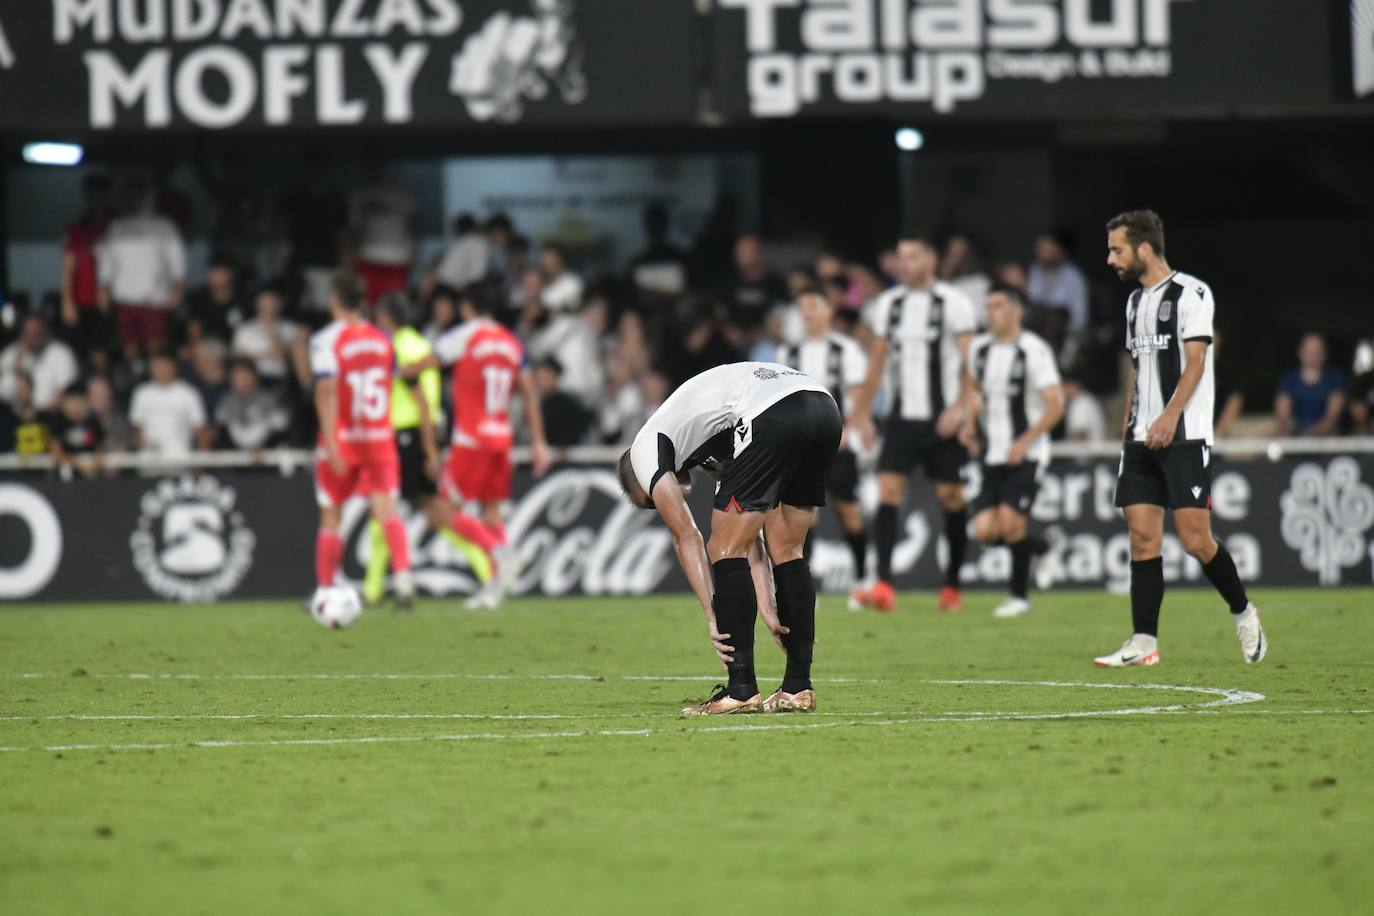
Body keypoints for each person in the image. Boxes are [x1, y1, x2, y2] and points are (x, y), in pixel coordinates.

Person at [616, 362, 841, 716]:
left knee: (721, 546)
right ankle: (798, 688)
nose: (662, 501)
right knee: (787, 548)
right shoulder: (712, 443)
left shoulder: (645, 448)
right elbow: (751, 539)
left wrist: (713, 616)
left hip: (771, 410)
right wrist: (768, 606)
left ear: (640, 481)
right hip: (823, 407)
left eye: (651, 500)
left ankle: (740, 691)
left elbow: (686, 536)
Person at [1096, 210, 1265, 668]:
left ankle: (1243, 610)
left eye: (1117, 249)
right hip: (1139, 437)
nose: (1110, 258)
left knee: (1195, 541)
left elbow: (1195, 365)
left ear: (1144, 248)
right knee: (1142, 539)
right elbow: (1138, 367)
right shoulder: (1133, 303)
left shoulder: (1193, 293)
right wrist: (1130, 422)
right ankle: (1144, 640)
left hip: (1183, 436)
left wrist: (1170, 416)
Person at [849, 236, 977, 613]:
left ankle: (952, 585)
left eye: (912, 256)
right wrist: (861, 415)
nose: (904, 264)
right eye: (901, 257)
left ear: (931, 260)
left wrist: (959, 409)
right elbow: (876, 364)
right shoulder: (888, 305)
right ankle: (884, 584)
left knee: (952, 497)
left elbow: (973, 363)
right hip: (901, 418)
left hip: (942, 420)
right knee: (887, 490)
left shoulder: (954, 303)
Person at [405, 282, 552, 609]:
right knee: (491, 513)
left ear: (467, 306)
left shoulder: (466, 335)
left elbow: (427, 362)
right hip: (502, 437)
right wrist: (539, 442)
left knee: (444, 510)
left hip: (471, 439)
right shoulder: (511, 343)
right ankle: (493, 588)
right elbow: (529, 392)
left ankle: (501, 554)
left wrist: (402, 371)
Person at [309, 273, 415, 607]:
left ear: (334, 301)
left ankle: (325, 588)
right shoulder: (383, 340)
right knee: (387, 510)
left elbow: (324, 395)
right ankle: (403, 580)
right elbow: (390, 381)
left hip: (343, 437)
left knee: (331, 515)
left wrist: (331, 443)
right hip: (379, 436)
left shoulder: (327, 340)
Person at [959, 286, 1065, 618]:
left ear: (1016, 311)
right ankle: (1043, 548)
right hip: (992, 453)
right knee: (985, 531)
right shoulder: (980, 349)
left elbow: (1056, 404)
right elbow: (975, 391)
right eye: (988, 306)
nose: (990, 313)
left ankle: (1019, 597)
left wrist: (1025, 440)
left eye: (998, 306)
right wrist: (969, 424)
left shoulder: (1033, 350)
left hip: (1027, 453)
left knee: (1010, 524)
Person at [775, 286, 871, 596]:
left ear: (828, 311)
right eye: (802, 307)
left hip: (838, 446)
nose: (808, 312)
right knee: (803, 520)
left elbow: (858, 396)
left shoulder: (846, 350)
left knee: (850, 515)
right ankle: (806, 591)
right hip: (801, 449)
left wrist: (850, 429)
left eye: (813, 305)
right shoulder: (787, 354)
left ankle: (861, 578)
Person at [362, 292, 444, 605]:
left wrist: (430, 450)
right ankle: (375, 587)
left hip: (406, 434)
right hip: (415, 432)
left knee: (425, 510)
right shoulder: (420, 343)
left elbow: (420, 400)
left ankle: (486, 566)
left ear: (386, 317)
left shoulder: (398, 347)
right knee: (382, 508)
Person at [97, 176, 186, 360]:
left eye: (138, 194)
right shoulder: (117, 227)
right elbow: (106, 263)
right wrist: (103, 290)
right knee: (129, 348)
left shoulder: (164, 226)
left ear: (147, 197)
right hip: (124, 297)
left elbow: (178, 262)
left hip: (154, 298)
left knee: (156, 348)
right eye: (130, 195)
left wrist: (176, 291)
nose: (134, 199)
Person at [349, 159, 418, 304]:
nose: (373, 168)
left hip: (397, 258)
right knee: (368, 305)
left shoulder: (401, 192)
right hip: (368, 257)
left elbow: (415, 224)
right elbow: (355, 230)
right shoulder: (360, 194)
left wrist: (415, 251)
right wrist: (352, 257)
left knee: (396, 307)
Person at [59, 173, 112, 357]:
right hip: (81, 297)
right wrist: (66, 300)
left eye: (100, 194)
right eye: (91, 195)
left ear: (107, 196)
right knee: (78, 349)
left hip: (109, 299)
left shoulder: (115, 225)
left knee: (102, 349)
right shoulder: (77, 227)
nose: (96, 199)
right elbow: (68, 264)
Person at [129, 350, 212, 462]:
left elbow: (200, 428)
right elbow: (136, 426)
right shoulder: (142, 393)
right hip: (149, 463)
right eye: (156, 365)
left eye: (164, 365)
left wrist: (201, 459)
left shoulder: (188, 393)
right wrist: (139, 442)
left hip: (180, 461)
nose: (160, 369)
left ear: (174, 366)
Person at [0, 314, 80, 413]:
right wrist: (15, 367)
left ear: (45, 331)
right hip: (16, 418)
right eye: (29, 333)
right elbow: (3, 394)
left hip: (52, 415)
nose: (33, 337)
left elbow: (70, 391)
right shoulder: (11, 354)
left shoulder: (62, 353)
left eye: (37, 333)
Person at [1274, 334, 1347, 437]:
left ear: (1324, 354)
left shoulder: (1335, 379)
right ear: (1299, 352)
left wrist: (1308, 436)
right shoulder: (1288, 380)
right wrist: (1287, 433)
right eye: (1308, 351)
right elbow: (1282, 417)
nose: (1312, 355)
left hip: (1328, 439)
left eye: (1317, 351)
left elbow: (1332, 418)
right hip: (1294, 437)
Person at [232, 285, 302, 387]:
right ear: (257, 304)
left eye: (272, 303)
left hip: (280, 377)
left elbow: (282, 356)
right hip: (253, 378)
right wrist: (267, 355)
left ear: (280, 304)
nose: (269, 307)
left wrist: (271, 331)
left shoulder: (291, 328)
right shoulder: (245, 329)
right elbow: (238, 357)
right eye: (265, 303)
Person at [215, 358, 290, 451]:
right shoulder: (226, 402)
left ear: (254, 377)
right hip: (235, 456)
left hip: (265, 456)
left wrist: (263, 447)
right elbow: (222, 431)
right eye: (237, 377)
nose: (241, 381)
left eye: (244, 377)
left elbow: (281, 427)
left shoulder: (268, 400)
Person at [48, 382, 106, 476]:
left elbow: (101, 446)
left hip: (91, 474)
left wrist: (96, 463)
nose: (74, 405)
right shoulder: (58, 421)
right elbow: (56, 451)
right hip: (65, 475)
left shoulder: (93, 421)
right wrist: (79, 466)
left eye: (78, 401)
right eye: (70, 401)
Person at [539, 242, 584, 312]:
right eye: (544, 256)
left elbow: (576, 308)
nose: (544, 260)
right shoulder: (537, 282)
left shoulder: (572, 282)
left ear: (560, 259)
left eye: (549, 256)